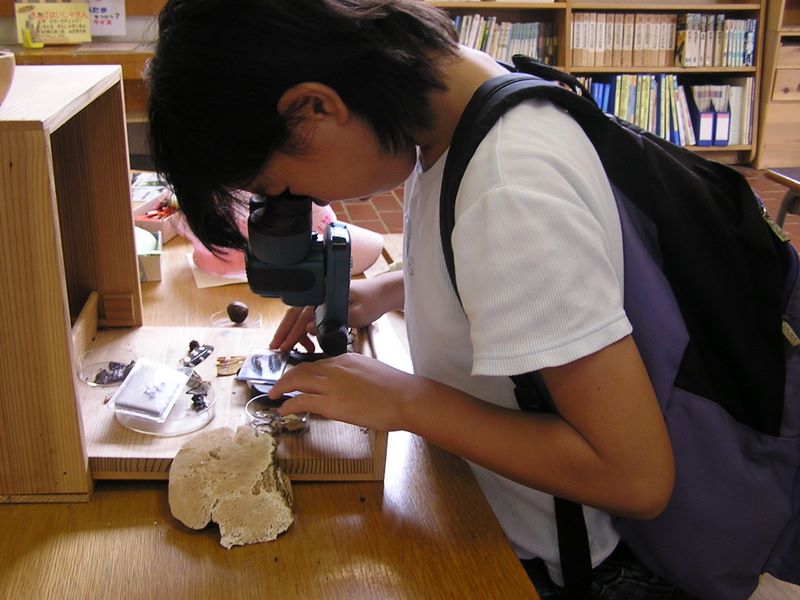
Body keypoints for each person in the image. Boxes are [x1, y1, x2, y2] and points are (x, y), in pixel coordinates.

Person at [147, 0, 676, 596]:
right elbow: (500, 277)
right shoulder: (453, 106)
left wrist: (402, 401)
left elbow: (635, 477)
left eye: (283, 187)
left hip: (552, 566)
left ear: (315, 108)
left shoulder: (511, 186)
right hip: (476, 502)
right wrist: (387, 289)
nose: (302, 200)